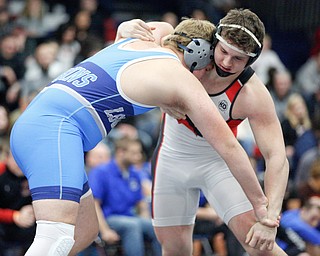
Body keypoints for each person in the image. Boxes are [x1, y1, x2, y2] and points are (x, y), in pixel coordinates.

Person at [8, 17, 275, 256]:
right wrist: (261, 204)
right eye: (209, 63)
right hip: (54, 130)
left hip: (41, 125)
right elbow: (228, 145)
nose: (208, 72)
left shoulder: (140, 40)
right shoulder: (181, 79)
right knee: (57, 236)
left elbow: (160, 27)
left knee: (86, 230)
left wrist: (125, 26)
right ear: (199, 52)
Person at [118, 8, 289, 256]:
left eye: (238, 59)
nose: (226, 63)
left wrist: (271, 216)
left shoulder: (251, 94)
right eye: (223, 52)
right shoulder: (190, 45)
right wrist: (125, 29)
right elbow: (142, 38)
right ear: (214, 41)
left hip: (219, 165)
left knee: (260, 245)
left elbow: (276, 157)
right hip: (171, 160)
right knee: (174, 250)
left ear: (251, 60)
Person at [89, 136, 161, 256]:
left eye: (139, 153)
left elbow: (141, 202)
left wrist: (145, 217)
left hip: (129, 217)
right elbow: (94, 204)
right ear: (120, 152)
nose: (138, 156)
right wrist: (105, 230)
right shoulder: (101, 172)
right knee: (132, 225)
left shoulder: (134, 173)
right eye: (134, 153)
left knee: (155, 225)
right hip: (109, 218)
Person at [0, 149, 36, 256]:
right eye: (15, 158)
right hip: (5, 233)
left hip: (30, 232)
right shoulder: (2, 174)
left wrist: (34, 209)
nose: (20, 163)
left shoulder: (34, 175)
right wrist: (14, 216)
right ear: (6, 158)